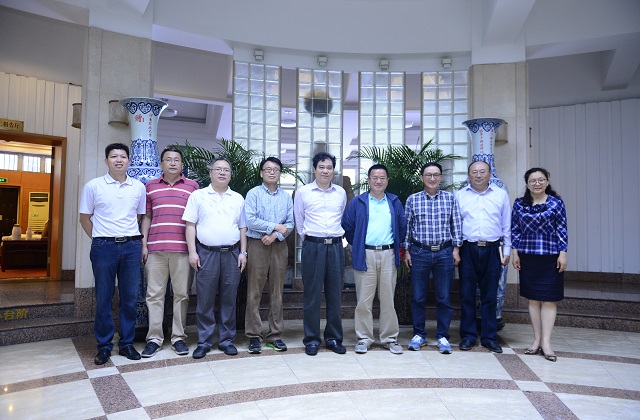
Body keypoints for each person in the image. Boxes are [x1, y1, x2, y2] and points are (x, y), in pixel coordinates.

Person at [79, 142, 146, 365]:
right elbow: (84, 218)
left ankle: (126, 344)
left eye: (123, 156)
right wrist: (100, 239)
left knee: (130, 298)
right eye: (114, 156)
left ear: (129, 161)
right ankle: (104, 346)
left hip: (131, 246)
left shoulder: (138, 187)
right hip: (104, 247)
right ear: (106, 160)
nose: (119, 160)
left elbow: (139, 216)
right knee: (104, 298)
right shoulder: (93, 186)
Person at [182, 157, 247, 358]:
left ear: (230, 175)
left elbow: (242, 227)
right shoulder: (198, 196)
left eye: (226, 170)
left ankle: (227, 340)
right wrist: (192, 252)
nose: (222, 173)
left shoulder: (237, 198)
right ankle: (204, 341)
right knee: (205, 300)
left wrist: (243, 252)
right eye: (218, 169)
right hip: (206, 253)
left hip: (232, 254)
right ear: (210, 173)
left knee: (229, 299)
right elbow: (190, 225)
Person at [139, 147, 199, 358]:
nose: (172, 163)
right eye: (168, 159)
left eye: (176, 160)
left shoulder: (193, 187)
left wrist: (193, 250)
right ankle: (154, 339)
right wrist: (144, 245)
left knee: (181, 295)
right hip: (155, 250)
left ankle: (178, 338)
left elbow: (195, 221)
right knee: (154, 295)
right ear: (161, 164)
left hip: (182, 251)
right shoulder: (150, 186)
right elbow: (146, 217)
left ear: (182, 165)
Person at [342, 164, 407, 355]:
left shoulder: (394, 202)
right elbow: (348, 226)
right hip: (366, 254)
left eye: (382, 178)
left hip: (388, 254)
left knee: (388, 300)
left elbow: (402, 227)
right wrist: (359, 245)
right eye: (375, 177)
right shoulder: (358, 202)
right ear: (369, 180)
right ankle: (364, 338)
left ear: (387, 180)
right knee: (364, 300)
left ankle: (390, 338)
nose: (378, 181)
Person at [403, 162, 462, 354]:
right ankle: (419, 334)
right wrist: (407, 251)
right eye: (428, 175)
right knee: (418, 296)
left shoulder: (450, 198)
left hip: (444, 253)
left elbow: (456, 225)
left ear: (441, 177)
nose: (432, 178)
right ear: (422, 178)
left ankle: (442, 335)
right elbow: (407, 227)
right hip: (419, 252)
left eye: (436, 174)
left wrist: (456, 249)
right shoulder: (412, 199)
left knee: (443, 297)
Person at [511, 167, 568, 362]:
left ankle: (547, 343)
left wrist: (563, 253)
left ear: (547, 182)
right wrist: (515, 252)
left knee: (549, 299)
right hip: (527, 256)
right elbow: (515, 229)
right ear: (527, 184)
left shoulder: (556, 203)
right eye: (533, 181)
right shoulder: (519, 204)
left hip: (551, 256)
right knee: (533, 300)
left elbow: (562, 228)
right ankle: (536, 340)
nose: (537, 183)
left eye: (541, 180)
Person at [294, 152, 347, 356]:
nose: (325, 171)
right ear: (314, 169)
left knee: (335, 295)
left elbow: (341, 217)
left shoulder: (340, 192)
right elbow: (299, 221)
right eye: (321, 167)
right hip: (313, 247)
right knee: (312, 295)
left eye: (329, 167)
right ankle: (312, 339)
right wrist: (311, 241)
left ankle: (333, 338)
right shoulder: (303, 192)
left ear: (334, 170)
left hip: (335, 247)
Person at [456, 160, 511, 353]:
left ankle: (489, 337)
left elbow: (507, 225)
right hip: (467, 249)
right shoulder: (460, 195)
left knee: (490, 296)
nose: (478, 175)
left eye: (482, 172)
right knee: (467, 295)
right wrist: (456, 249)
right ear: (468, 175)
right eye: (474, 172)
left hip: (493, 249)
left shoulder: (501, 195)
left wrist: (507, 251)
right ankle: (468, 336)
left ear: (489, 174)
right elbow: (455, 225)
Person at [244, 157, 294, 354]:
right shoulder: (253, 193)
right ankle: (254, 335)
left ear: (280, 173)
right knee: (254, 290)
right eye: (268, 169)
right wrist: (274, 227)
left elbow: (290, 224)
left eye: (276, 169)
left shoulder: (286, 197)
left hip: (279, 246)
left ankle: (275, 335)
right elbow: (250, 220)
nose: (272, 172)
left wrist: (274, 235)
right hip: (257, 245)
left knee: (277, 291)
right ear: (261, 173)